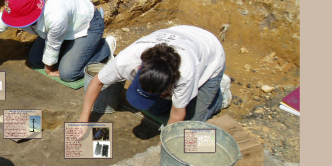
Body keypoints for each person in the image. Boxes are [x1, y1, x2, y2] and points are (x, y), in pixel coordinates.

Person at [79, 25, 226, 125]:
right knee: (152, 110)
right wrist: (84, 118)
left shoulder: (185, 74)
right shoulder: (127, 60)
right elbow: (97, 81)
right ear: (138, 70)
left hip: (210, 56)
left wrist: (165, 142)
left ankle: (220, 96)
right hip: (181, 33)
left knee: (190, 128)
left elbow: (177, 114)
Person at [0, 0, 116, 82]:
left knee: (68, 74)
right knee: (35, 61)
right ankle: (73, 50)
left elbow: (53, 46)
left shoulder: (55, 15)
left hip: (87, 25)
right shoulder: (17, 7)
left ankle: (104, 47)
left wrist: (49, 70)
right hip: (63, 29)